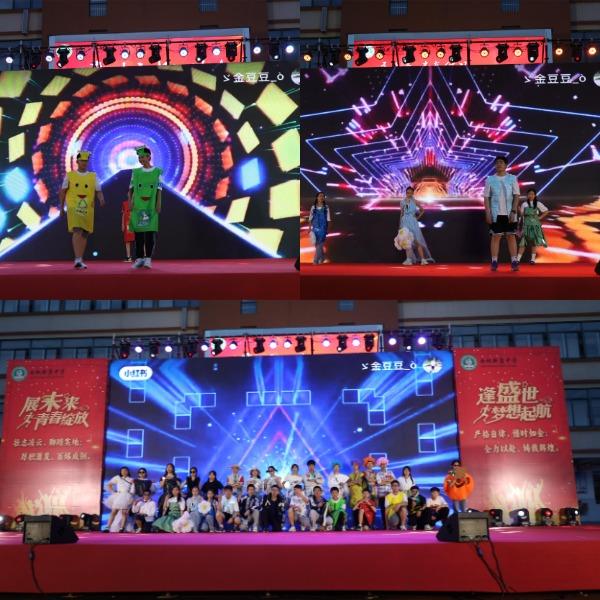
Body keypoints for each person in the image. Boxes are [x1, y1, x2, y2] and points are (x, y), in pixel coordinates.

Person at [59, 150, 105, 270]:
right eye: (81, 161)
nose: (84, 163)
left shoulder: (93, 176)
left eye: (85, 161)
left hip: (87, 208)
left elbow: (98, 190)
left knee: (85, 232)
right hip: (73, 206)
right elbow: (63, 191)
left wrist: (101, 199)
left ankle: (79, 258)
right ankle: (77, 259)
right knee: (77, 230)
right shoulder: (70, 175)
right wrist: (61, 207)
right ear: (77, 162)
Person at [484, 156, 521, 272]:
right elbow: (486, 197)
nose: (499, 164)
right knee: (496, 237)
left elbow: (516, 195)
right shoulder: (490, 179)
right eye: (497, 163)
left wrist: (514, 211)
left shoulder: (512, 178)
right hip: (496, 214)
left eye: (501, 162)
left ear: (506, 165)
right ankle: (494, 261)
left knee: (511, 236)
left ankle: (514, 261)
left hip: (510, 213)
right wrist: (488, 213)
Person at [129, 146, 162, 269]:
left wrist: (158, 203)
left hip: (150, 206)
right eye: (139, 157)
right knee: (138, 233)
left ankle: (148, 258)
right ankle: (139, 258)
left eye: (143, 157)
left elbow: (159, 189)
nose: (141, 159)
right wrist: (130, 202)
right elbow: (131, 189)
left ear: (149, 157)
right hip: (138, 206)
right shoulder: (136, 172)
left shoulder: (157, 172)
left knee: (149, 232)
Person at [397, 186, 433, 265]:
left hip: (413, 222)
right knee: (407, 241)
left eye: (410, 193)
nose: (409, 194)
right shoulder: (402, 202)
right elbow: (402, 213)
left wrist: (417, 217)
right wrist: (400, 224)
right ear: (406, 193)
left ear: (413, 193)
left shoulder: (415, 201)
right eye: (407, 193)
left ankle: (423, 259)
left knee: (417, 240)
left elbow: (422, 210)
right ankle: (409, 259)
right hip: (404, 221)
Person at [517, 188, 548, 264]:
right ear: (527, 195)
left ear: (535, 195)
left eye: (532, 194)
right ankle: (517, 259)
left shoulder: (538, 203)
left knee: (534, 243)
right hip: (526, 225)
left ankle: (533, 259)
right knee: (523, 243)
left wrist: (539, 218)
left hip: (535, 225)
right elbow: (522, 215)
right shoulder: (524, 204)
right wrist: (519, 211)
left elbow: (546, 211)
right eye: (529, 194)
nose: (530, 195)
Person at [104, 467, 134, 532]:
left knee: (124, 513)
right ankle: (107, 527)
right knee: (114, 511)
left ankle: (122, 528)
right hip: (118, 496)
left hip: (126, 496)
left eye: (125, 470)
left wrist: (130, 495)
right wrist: (113, 492)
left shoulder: (131, 479)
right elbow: (109, 484)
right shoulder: (117, 477)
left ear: (128, 471)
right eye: (122, 471)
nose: (124, 472)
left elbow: (132, 490)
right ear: (120, 472)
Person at [308, 191, 331, 265]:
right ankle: (323, 257)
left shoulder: (326, 207)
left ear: (324, 198)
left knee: (319, 244)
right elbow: (310, 218)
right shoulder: (313, 207)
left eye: (322, 196)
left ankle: (315, 260)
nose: (321, 197)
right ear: (317, 197)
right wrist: (309, 228)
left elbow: (328, 219)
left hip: (323, 228)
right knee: (316, 245)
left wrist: (328, 229)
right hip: (315, 228)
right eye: (320, 196)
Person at [375, 457, 395, 528]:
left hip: (390, 494)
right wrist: (389, 481)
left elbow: (394, 481)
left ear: (387, 464)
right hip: (382, 495)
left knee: (392, 509)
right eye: (382, 464)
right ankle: (385, 526)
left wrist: (384, 481)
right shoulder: (378, 474)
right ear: (379, 465)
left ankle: (393, 525)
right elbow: (379, 483)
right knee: (383, 510)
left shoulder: (390, 472)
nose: (383, 465)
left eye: (384, 464)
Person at [347, 460, 367, 526]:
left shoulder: (362, 474)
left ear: (358, 466)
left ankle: (361, 524)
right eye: (353, 465)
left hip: (360, 494)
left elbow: (360, 482)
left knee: (360, 508)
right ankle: (355, 525)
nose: (354, 466)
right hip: (352, 494)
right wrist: (354, 482)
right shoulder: (350, 475)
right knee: (354, 510)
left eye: (356, 465)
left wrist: (352, 482)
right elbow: (348, 484)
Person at [121, 197, 135, 262]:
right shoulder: (124, 203)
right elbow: (123, 214)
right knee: (127, 241)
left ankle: (142, 257)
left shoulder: (137, 202)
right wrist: (122, 224)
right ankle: (128, 257)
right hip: (127, 224)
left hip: (135, 224)